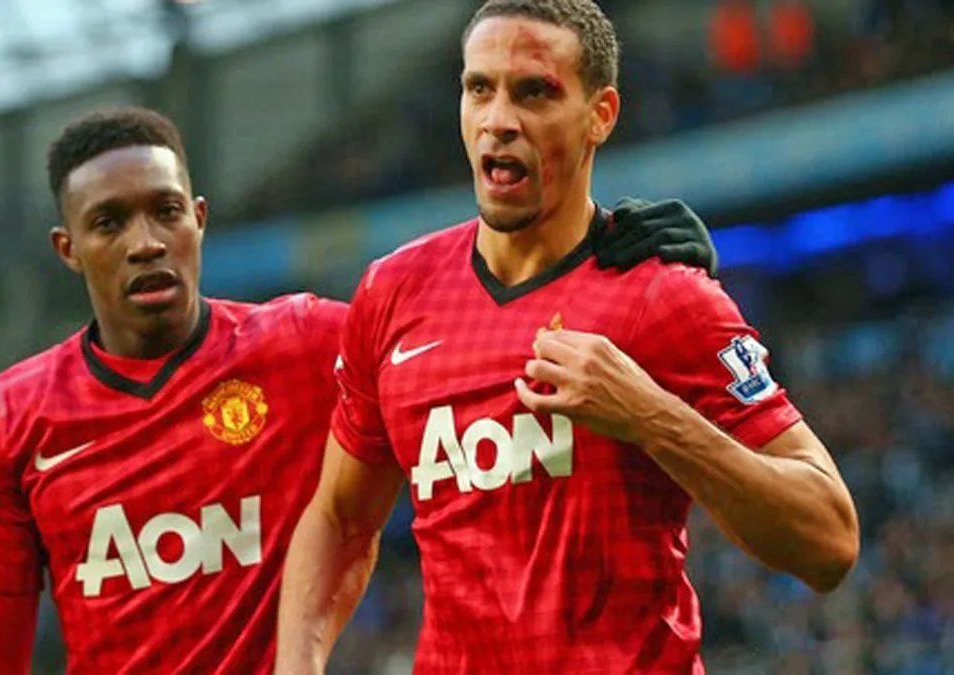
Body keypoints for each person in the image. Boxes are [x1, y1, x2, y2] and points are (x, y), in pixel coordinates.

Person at [0, 106, 720, 674]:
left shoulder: (305, 344)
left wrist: (610, 257)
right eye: (109, 223)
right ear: (68, 249)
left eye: (166, 211)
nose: (146, 241)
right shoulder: (12, 418)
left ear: (200, 219)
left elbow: (471, 334)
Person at [274, 1, 860, 673]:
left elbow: (830, 539)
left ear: (600, 116)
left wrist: (649, 415)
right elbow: (341, 518)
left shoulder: (664, 299)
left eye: (535, 92)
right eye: (479, 89)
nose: (500, 120)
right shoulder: (393, 292)